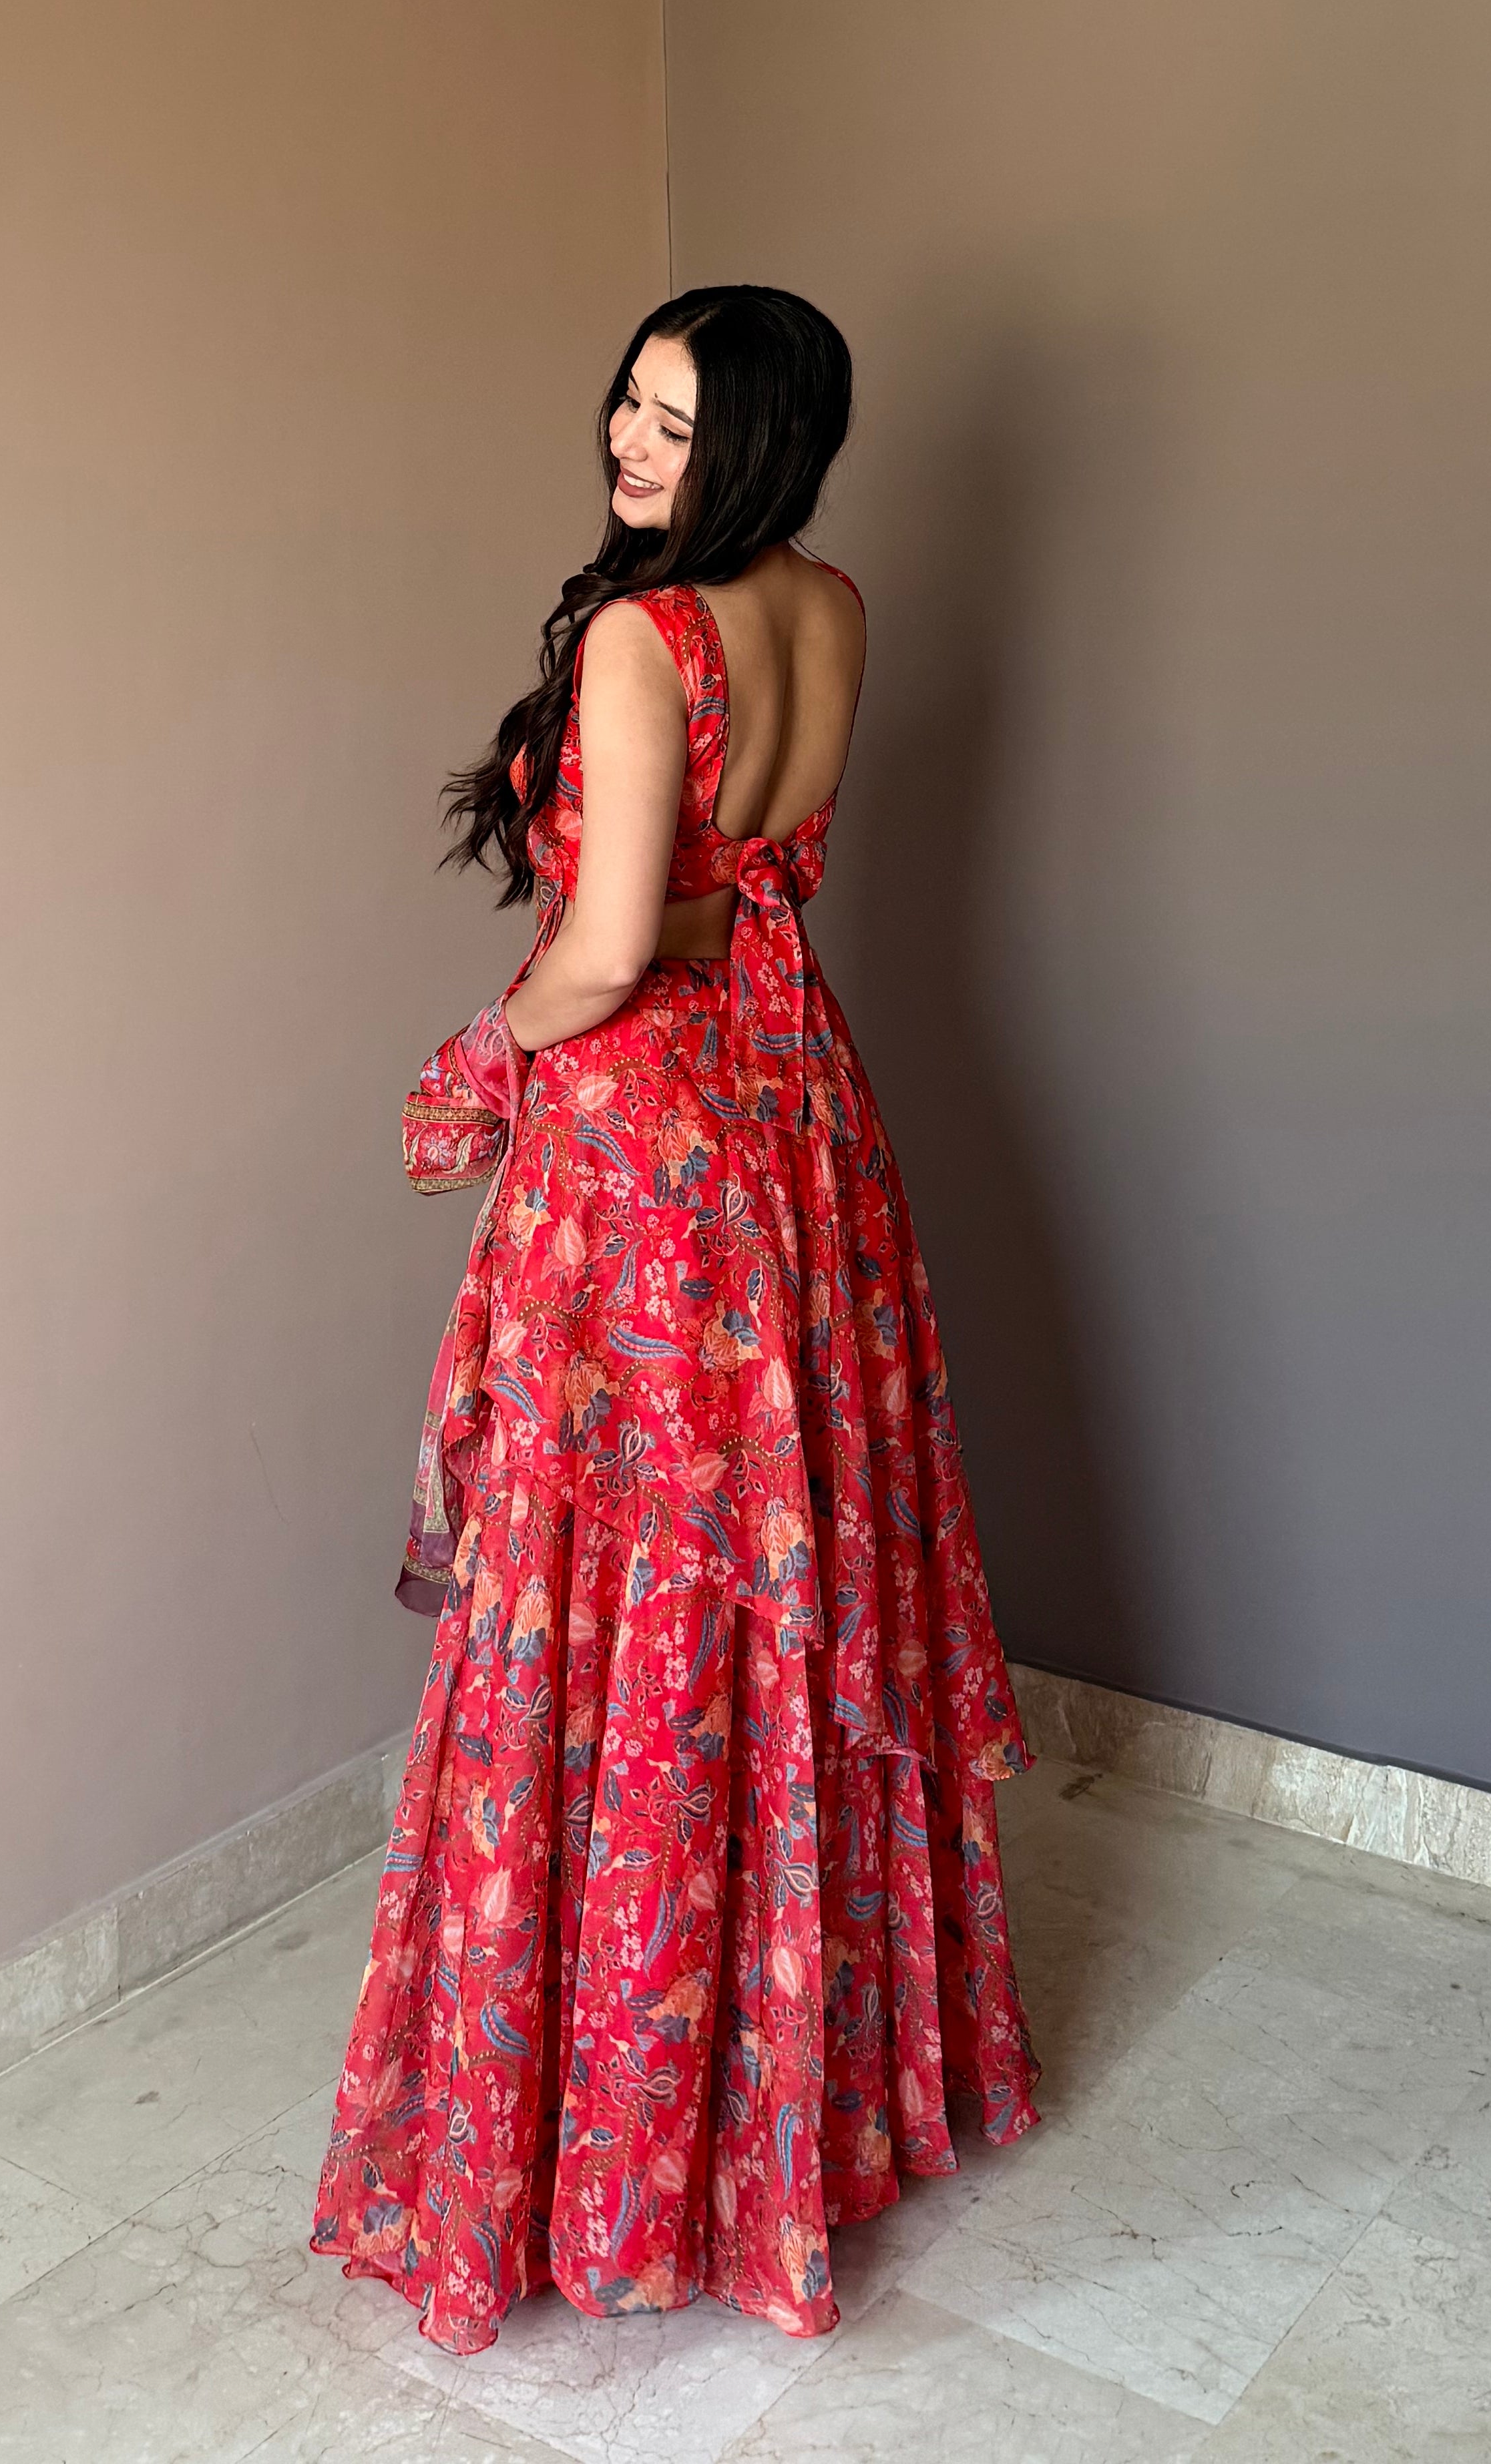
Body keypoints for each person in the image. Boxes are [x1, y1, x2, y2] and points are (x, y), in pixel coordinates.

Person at [309, 283, 1040, 2353]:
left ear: (762, 443)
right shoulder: (835, 610)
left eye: (677, 419)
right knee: (768, 1583)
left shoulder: (647, 638)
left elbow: (615, 943)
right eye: (628, 402)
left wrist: (474, 1061)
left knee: (610, 1591)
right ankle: (785, 2120)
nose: (633, 443)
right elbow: (752, 890)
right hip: (799, 1120)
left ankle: (620, 2165)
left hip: (647, 1148)